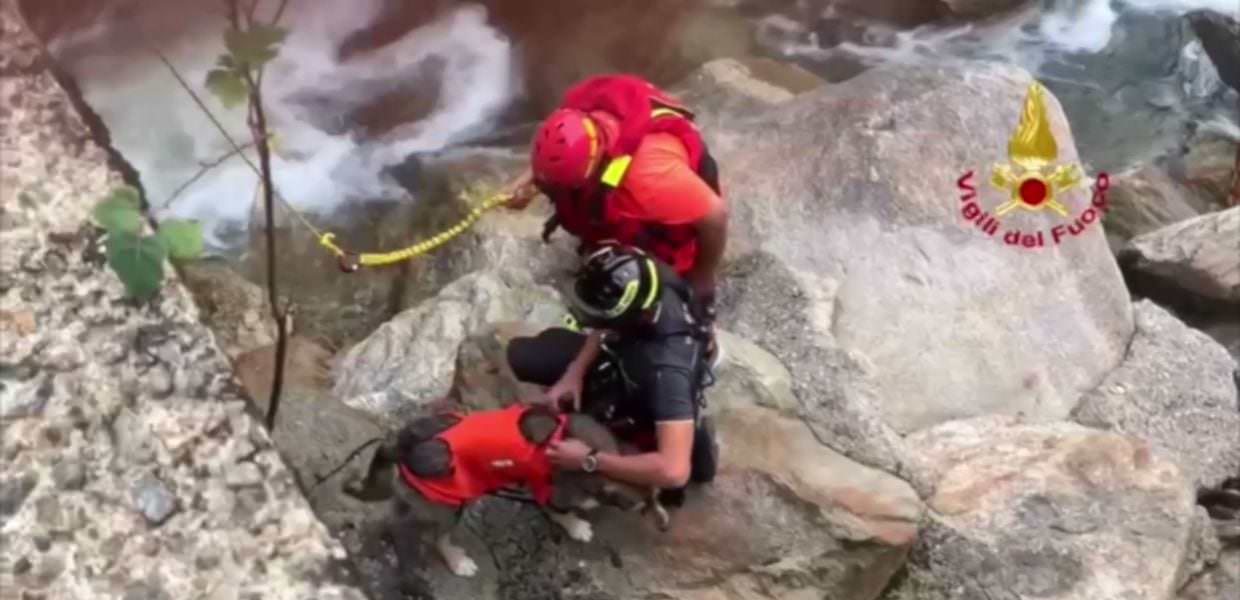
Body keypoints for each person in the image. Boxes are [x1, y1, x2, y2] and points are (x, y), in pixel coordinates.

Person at [503, 73, 729, 361]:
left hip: (670, 186)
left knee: (656, 276)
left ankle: (696, 326)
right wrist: (534, 180)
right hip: (634, 170)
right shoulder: (578, 125)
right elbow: (558, 153)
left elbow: (715, 216)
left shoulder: (649, 179)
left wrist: (703, 276)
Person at [505, 243, 718, 504]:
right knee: (524, 356)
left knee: (679, 482)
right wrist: (574, 373)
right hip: (623, 360)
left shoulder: (667, 373)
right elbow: (607, 323)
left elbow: (673, 471)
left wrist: (589, 459)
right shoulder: (647, 273)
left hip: (645, 391)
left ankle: (690, 430)